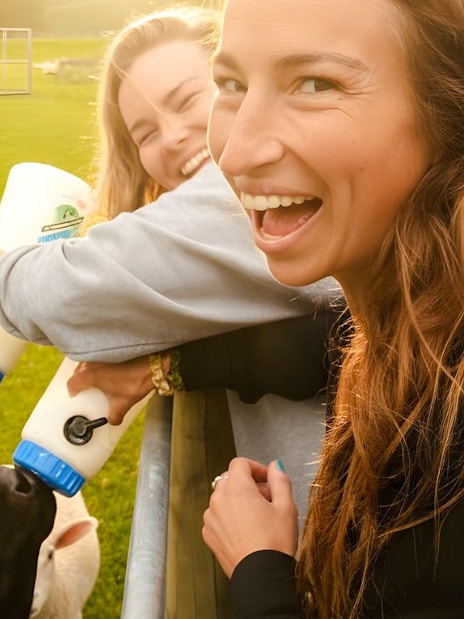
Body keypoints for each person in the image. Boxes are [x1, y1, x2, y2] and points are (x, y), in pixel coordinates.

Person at [0, 5, 336, 617]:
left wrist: (11, 254)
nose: (175, 136)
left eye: (191, 98)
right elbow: (332, 341)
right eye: (144, 133)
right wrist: (173, 364)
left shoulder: (240, 199)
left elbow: (67, 295)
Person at [201, 0, 464, 617]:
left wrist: (258, 569)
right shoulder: (409, 321)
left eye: (316, 84)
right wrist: (166, 367)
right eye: (232, 84)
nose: (235, 153)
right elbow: (319, 340)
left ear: (447, 114)